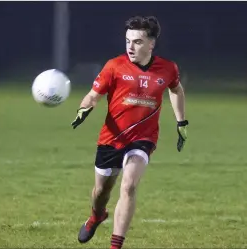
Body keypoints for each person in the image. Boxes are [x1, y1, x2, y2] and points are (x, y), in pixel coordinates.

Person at [71, 16, 188, 249]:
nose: (130, 47)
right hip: (111, 138)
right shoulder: (114, 66)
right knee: (101, 192)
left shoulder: (167, 68)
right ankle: (97, 215)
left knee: (129, 185)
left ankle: (116, 245)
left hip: (143, 138)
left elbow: (176, 90)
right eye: (127, 41)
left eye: (136, 42)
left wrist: (181, 121)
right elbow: (93, 95)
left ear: (151, 44)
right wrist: (84, 108)